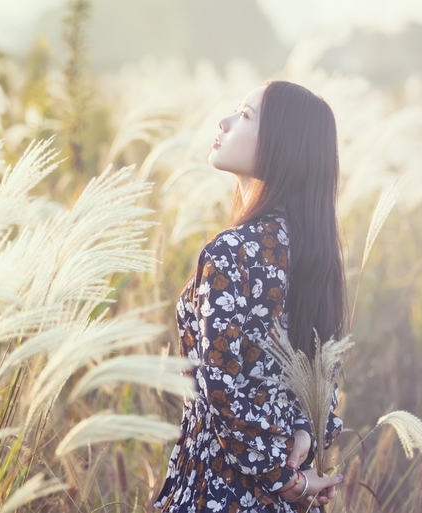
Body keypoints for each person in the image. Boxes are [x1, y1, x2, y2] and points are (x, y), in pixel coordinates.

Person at [153, 81, 347, 512]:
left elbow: (222, 391)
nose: (223, 122)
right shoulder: (316, 255)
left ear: (281, 145)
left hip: (218, 488)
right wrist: (302, 441)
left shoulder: (229, 253)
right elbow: (324, 377)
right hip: (282, 492)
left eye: (244, 115)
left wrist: (287, 479)